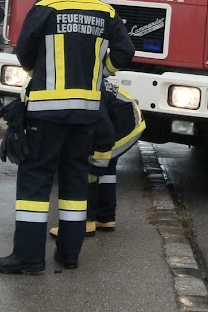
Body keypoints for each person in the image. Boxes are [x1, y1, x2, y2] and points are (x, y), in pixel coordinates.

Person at [0, 0, 135, 274]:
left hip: (45, 112)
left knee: (35, 179)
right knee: (75, 178)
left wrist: (41, 71)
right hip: (87, 113)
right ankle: (69, 254)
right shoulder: (105, 11)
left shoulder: (45, 7)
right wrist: (101, 71)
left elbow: (24, 53)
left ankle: (28, 257)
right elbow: (125, 52)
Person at [49, 79, 145, 241]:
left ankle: (86, 222)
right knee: (107, 169)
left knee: (88, 168)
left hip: (123, 126)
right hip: (128, 121)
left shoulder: (82, 88)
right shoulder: (85, 79)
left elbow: (101, 130)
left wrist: (95, 161)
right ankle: (105, 217)